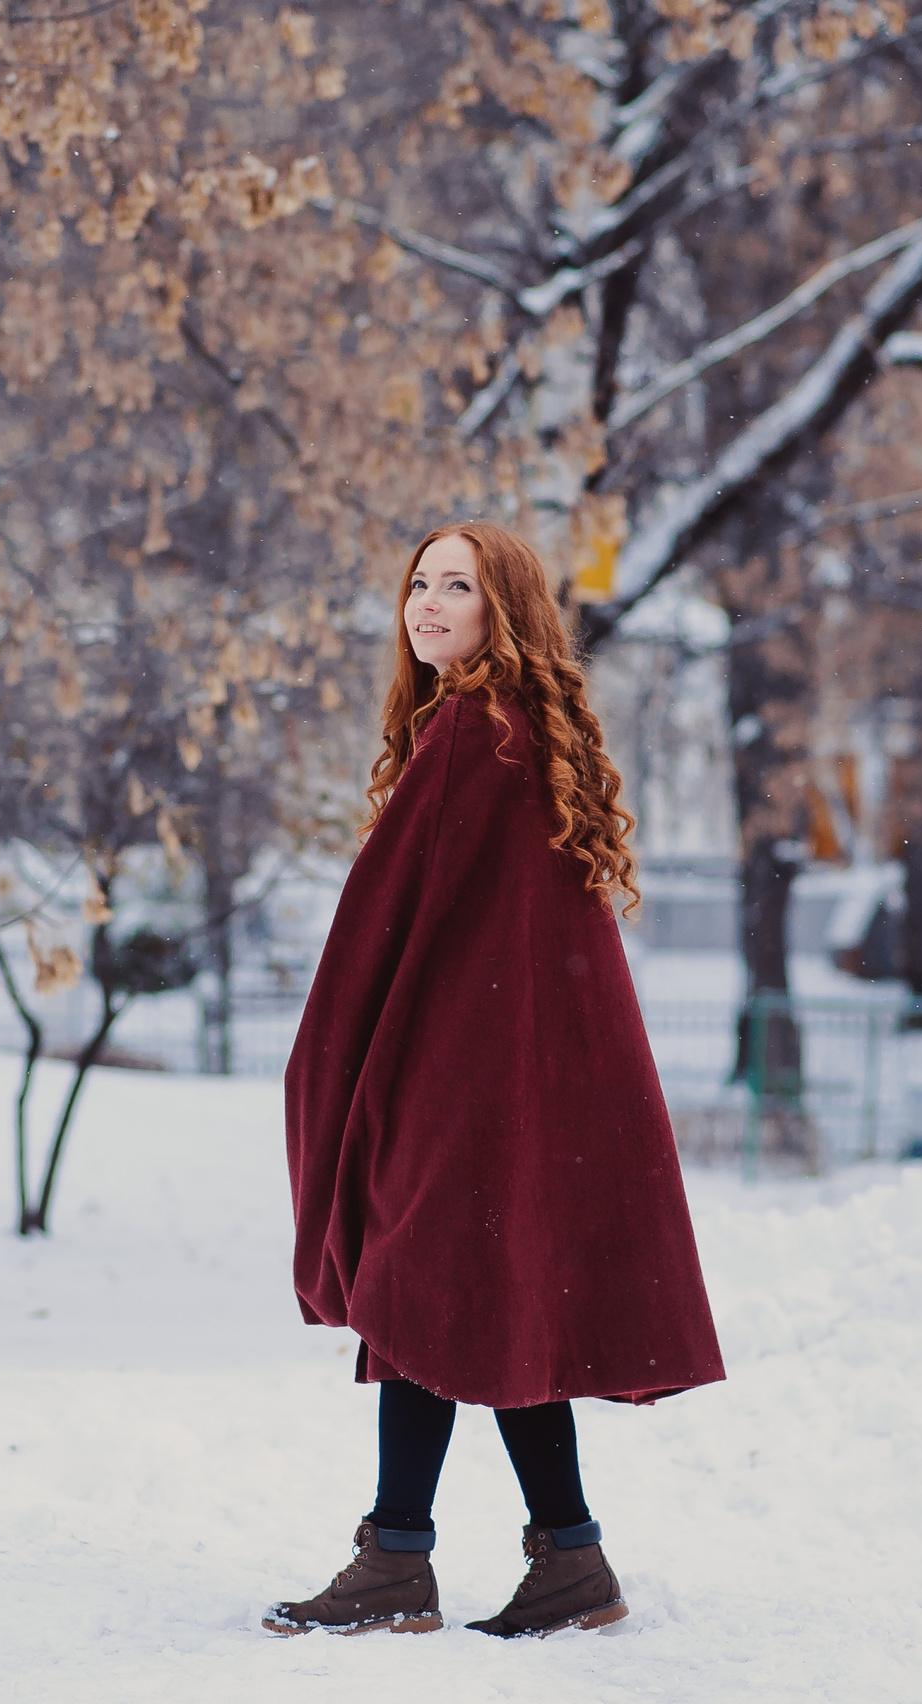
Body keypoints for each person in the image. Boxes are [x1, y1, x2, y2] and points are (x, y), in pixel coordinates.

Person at [264, 521, 725, 1640]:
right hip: (493, 1081)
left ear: (499, 610)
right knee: (490, 1310)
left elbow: (386, 924)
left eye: (456, 587)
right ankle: (565, 1556)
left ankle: (398, 1560)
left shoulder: (474, 734)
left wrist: (334, 1054)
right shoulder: (521, 733)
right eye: (418, 583)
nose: (427, 604)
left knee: (423, 1298)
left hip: (459, 1084)